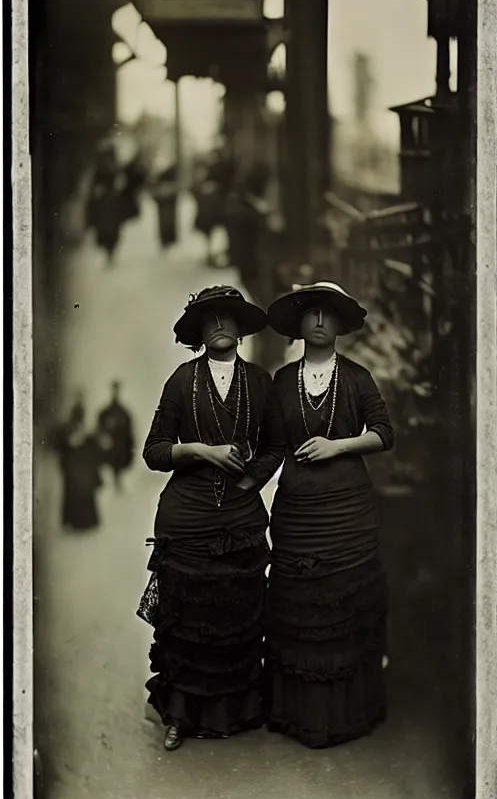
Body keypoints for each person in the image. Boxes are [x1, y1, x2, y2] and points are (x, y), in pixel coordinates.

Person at [137, 285, 285, 751]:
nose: (220, 324)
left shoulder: (261, 382)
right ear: (199, 331)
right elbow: (154, 451)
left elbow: (276, 446)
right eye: (210, 318)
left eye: (228, 316)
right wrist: (197, 450)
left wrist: (249, 483)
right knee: (189, 622)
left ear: (241, 328)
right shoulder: (182, 380)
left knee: (236, 617)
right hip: (187, 519)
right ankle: (180, 714)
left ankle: (235, 712)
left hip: (240, 518)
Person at [264, 281, 395, 749]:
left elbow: (384, 433)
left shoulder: (358, 377)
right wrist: (240, 487)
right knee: (300, 606)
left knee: (342, 603)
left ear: (340, 325)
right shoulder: (281, 381)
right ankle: (299, 716)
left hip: (347, 511)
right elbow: (273, 448)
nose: (319, 321)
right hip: (297, 510)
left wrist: (337, 444)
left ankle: (344, 717)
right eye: (310, 313)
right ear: (299, 325)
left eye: (328, 314)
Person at [54, 402, 103, 530]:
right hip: (75, 471)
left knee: (80, 496)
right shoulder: (70, 431)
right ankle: (77, 522)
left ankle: (82, 523)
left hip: (79, 472)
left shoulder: (83, 434)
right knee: (76, 496)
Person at [97, 381, 135, 490]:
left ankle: (117, 482)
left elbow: (129, 434)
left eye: (117, 390)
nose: (115, 393)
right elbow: (99, 431)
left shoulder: (124, 414)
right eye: (113, 390)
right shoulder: (105, 413)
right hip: (108, 451)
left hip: (120, 451)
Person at [153, 162, 179, 249]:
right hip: (164, 204)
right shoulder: (160, 176)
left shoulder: (171, 173)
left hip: (168, 203)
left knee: (169, 221)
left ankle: (169, 240)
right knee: (164, 221)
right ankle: (165, 240)